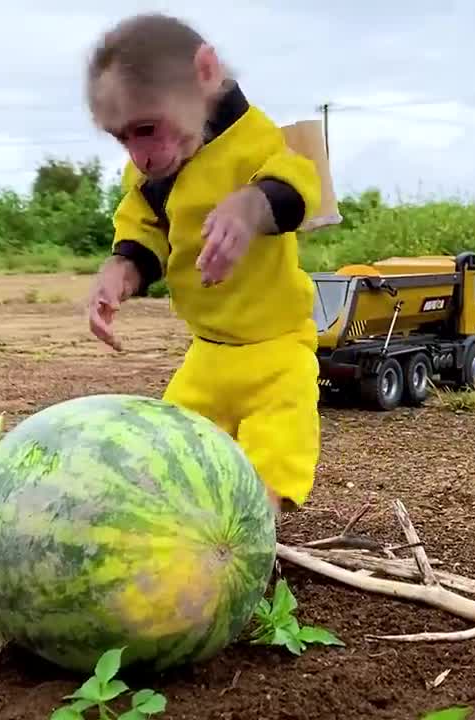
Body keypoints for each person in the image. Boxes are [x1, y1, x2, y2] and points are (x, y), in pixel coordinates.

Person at [82, 13, 324, 515]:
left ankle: (249, 552)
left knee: (266, 475)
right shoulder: (160, 169)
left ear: (205, 73)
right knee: (172, 464)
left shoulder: (254, 138)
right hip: (206, 358)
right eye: (123, 138)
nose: (142, 155)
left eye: (147, 129)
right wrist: (120, 270)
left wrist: (250, 206)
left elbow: (297, 184)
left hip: (276, 353)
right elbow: (143, 228)